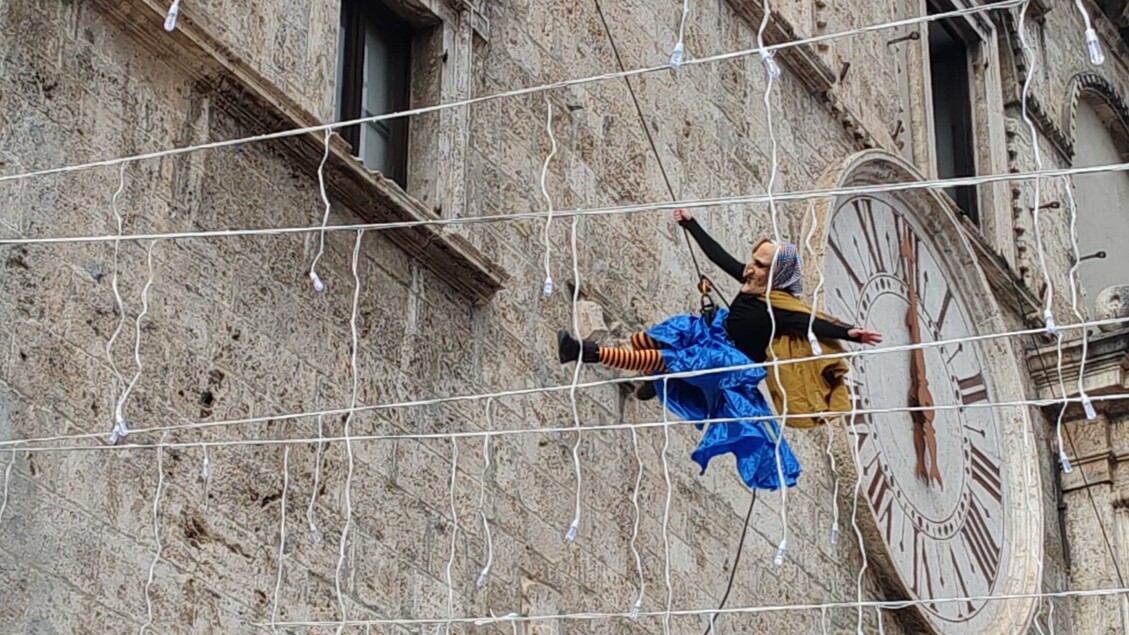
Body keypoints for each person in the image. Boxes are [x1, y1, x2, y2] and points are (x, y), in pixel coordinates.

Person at [555, 209, 882, 490]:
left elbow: (814, 324)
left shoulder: (782, 310)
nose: (750, 268)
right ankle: (654, 383)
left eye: (760, 264)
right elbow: (718, 256)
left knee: (669, 358)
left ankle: (584, 352)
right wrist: (691, 224)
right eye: (753, 260)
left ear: (776, 275)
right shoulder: (750, 277)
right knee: (656, 337)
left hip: (732, 361)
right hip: (716, 332)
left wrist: (852, 333)